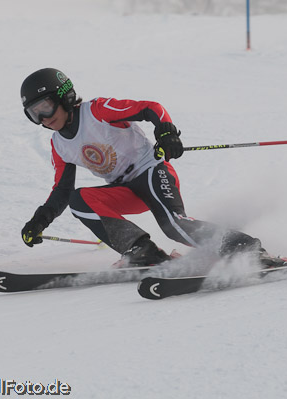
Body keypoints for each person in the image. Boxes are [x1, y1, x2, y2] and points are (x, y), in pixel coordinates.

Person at [20, 68, 264, 266]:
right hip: (124, 190)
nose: (43, 118)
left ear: (64, 96)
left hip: (151, 172)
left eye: (46, 107)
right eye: (34, 114)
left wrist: (166, 132)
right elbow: (61, 191)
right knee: (78, 200)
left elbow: (151, 108)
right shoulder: (59, 145)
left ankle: (245, 248)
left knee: (174, 225)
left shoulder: (97, 111)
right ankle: (142, 251)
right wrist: (40, 220)